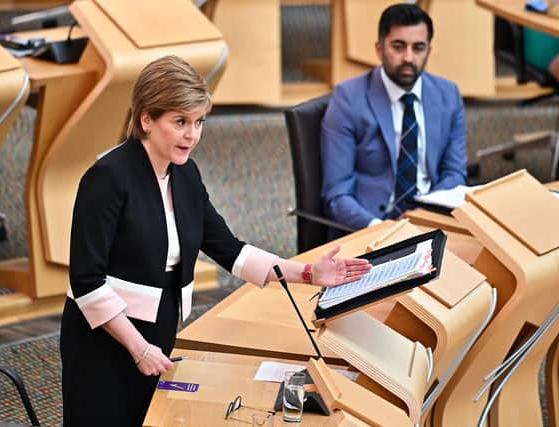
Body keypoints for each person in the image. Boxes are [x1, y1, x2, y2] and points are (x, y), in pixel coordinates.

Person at [60, 55, 372, 427]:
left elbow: (231, 249)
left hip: (157, 326)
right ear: (146, 119)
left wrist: (308, 273)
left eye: (198, 122)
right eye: (180, 122)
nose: (192, 135)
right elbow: (87, 282)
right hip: (105, 340)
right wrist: (138, 348)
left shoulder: (185, 174)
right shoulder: (107, 178)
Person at [321, 3, 467, 232]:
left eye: (418, 48)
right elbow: (337, 196)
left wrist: (427, 216)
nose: (409, 57)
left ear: (428, 50)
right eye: (398, 47)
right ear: (379, 49)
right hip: (370, 227)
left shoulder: (449, 95)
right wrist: (384, 230)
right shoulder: (348, 99)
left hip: (429, 222)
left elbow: (454, 173)